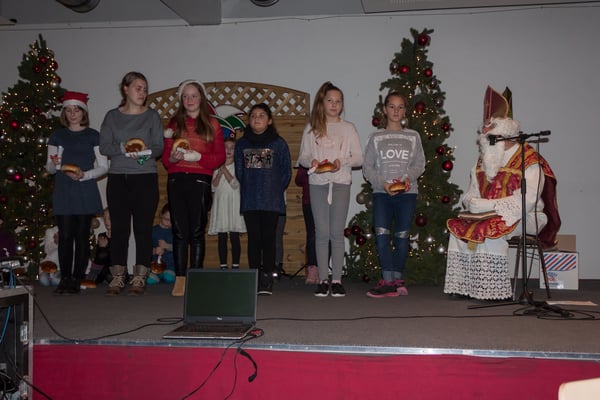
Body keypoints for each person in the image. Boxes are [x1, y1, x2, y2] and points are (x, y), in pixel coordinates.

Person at [443, 86, 560, 301]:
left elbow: (528, 200)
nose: (485, 141)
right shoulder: (484, 160)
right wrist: (471, 202)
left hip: (527, 216)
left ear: (505, 134)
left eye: (491, 137)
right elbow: (471, 192)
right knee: (458, 228)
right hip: (489, 214)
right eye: (485, 136)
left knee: (490, 229)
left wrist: (489, 206)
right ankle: (464, 286)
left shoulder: (529, 160)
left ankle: (493, 291)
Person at [99, 72, 164, 296]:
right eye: (138, 88)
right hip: (118, 178)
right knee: (119, 230)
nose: (142, 92)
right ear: (125, 89)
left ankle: (139, 276)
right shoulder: (111, 116)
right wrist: (123, 147)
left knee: (143, 229)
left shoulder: (152, 116)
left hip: (145, 177)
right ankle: (118, 276)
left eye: (145, 89)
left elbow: (159, 147)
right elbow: (104, 146)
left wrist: (144, 153)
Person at [297, 81, 363, 297]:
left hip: (341, 183)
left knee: (336, 232)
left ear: (342, 104)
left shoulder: (348, 128)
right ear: (322, 103)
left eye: (338, 101)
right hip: (318, 184)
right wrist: (313, 161)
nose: (334, 105)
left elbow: (358, 158)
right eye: (330, 101)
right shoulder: (312, 128)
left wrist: (341, 162)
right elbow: (303, 157)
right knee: (321, 233)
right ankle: (323, 279)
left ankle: (336, 280)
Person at [162, 79, 225, 297]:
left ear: (201, 98)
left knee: (197, 231)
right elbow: (166, 160)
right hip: (176, 179)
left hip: (200, 180)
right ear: (181, 99)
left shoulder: (212, 125)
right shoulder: (173, 124)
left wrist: (199, 157)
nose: (189, 100)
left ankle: (196, 278)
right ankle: (180, 279)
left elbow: (219, 157)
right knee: (179, 231)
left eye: (194, 96)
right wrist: (172, 158)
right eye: (185, 96)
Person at [363, 92, 426, 298]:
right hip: (382, 193)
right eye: (392, 106)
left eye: (400, 107)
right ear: (385, 109)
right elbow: (367, 167)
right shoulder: (376, 137)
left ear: (405, 110)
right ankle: (387, 280)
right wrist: (383, 183)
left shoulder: (413, 136)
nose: (396, 111)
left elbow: (420, 164)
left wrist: (407, 178)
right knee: (382, 235)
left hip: (407, 194)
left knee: (402, 237)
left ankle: (397, 279)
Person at [46, 91, 108, 294]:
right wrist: (53, 164)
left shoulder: (93, 135)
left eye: (77, 110)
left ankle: (77, 277)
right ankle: (65, 278)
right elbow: (50, 168)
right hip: (64, 190)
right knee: (65, 236)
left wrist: (84, 175)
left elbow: (103, 167)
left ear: (83, 112)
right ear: (64, 113)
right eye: (69, 110)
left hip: (85, 189)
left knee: (82, 236)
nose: (73, 114)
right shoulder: (57, 135)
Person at [235, 103, 291, 295]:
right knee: (254, 240)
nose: (256, 119)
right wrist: (252, 188)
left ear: (269, 121)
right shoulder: (242, 144)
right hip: (250, 200)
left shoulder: (278, 143)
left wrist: (272, 190)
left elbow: (286, 172)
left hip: (271, 201)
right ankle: (254, 277)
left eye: (261, 115)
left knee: (268, 239)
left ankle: (267, 277)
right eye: (253, 116)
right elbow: (240, 172)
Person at [208, 137, 246, 270]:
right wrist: (219, 174)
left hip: (234, 203)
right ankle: (223, 265)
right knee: (222, 236)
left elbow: (236, 185)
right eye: (226, 147)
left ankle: (235, 265)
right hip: (221, 204)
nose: (229, 150)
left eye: (232, 148)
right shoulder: (216, 166)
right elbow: (213, 187)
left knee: (235, 236)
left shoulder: (238, 166)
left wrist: (224, 170)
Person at [294, 166, 319, 284]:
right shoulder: (306, 159)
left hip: (327, 200)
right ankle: (312, 268)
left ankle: (322, 269)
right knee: (312, 235)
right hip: (309, 201)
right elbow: (298, 180)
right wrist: (310, 170)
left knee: (326, 235)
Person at [148, 204, 176, 285]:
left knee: (169, 277)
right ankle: (158, 276)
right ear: (161, 215)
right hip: (155, 265)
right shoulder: (153, 231)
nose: (169, 223)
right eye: (166, 219)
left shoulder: (175, 232)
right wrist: (155, 250)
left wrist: (167, 246)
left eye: (171, 221)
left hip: (170, 266)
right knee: (149, 280)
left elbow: (179, 249)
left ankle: (166, 275)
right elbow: (146, 249)